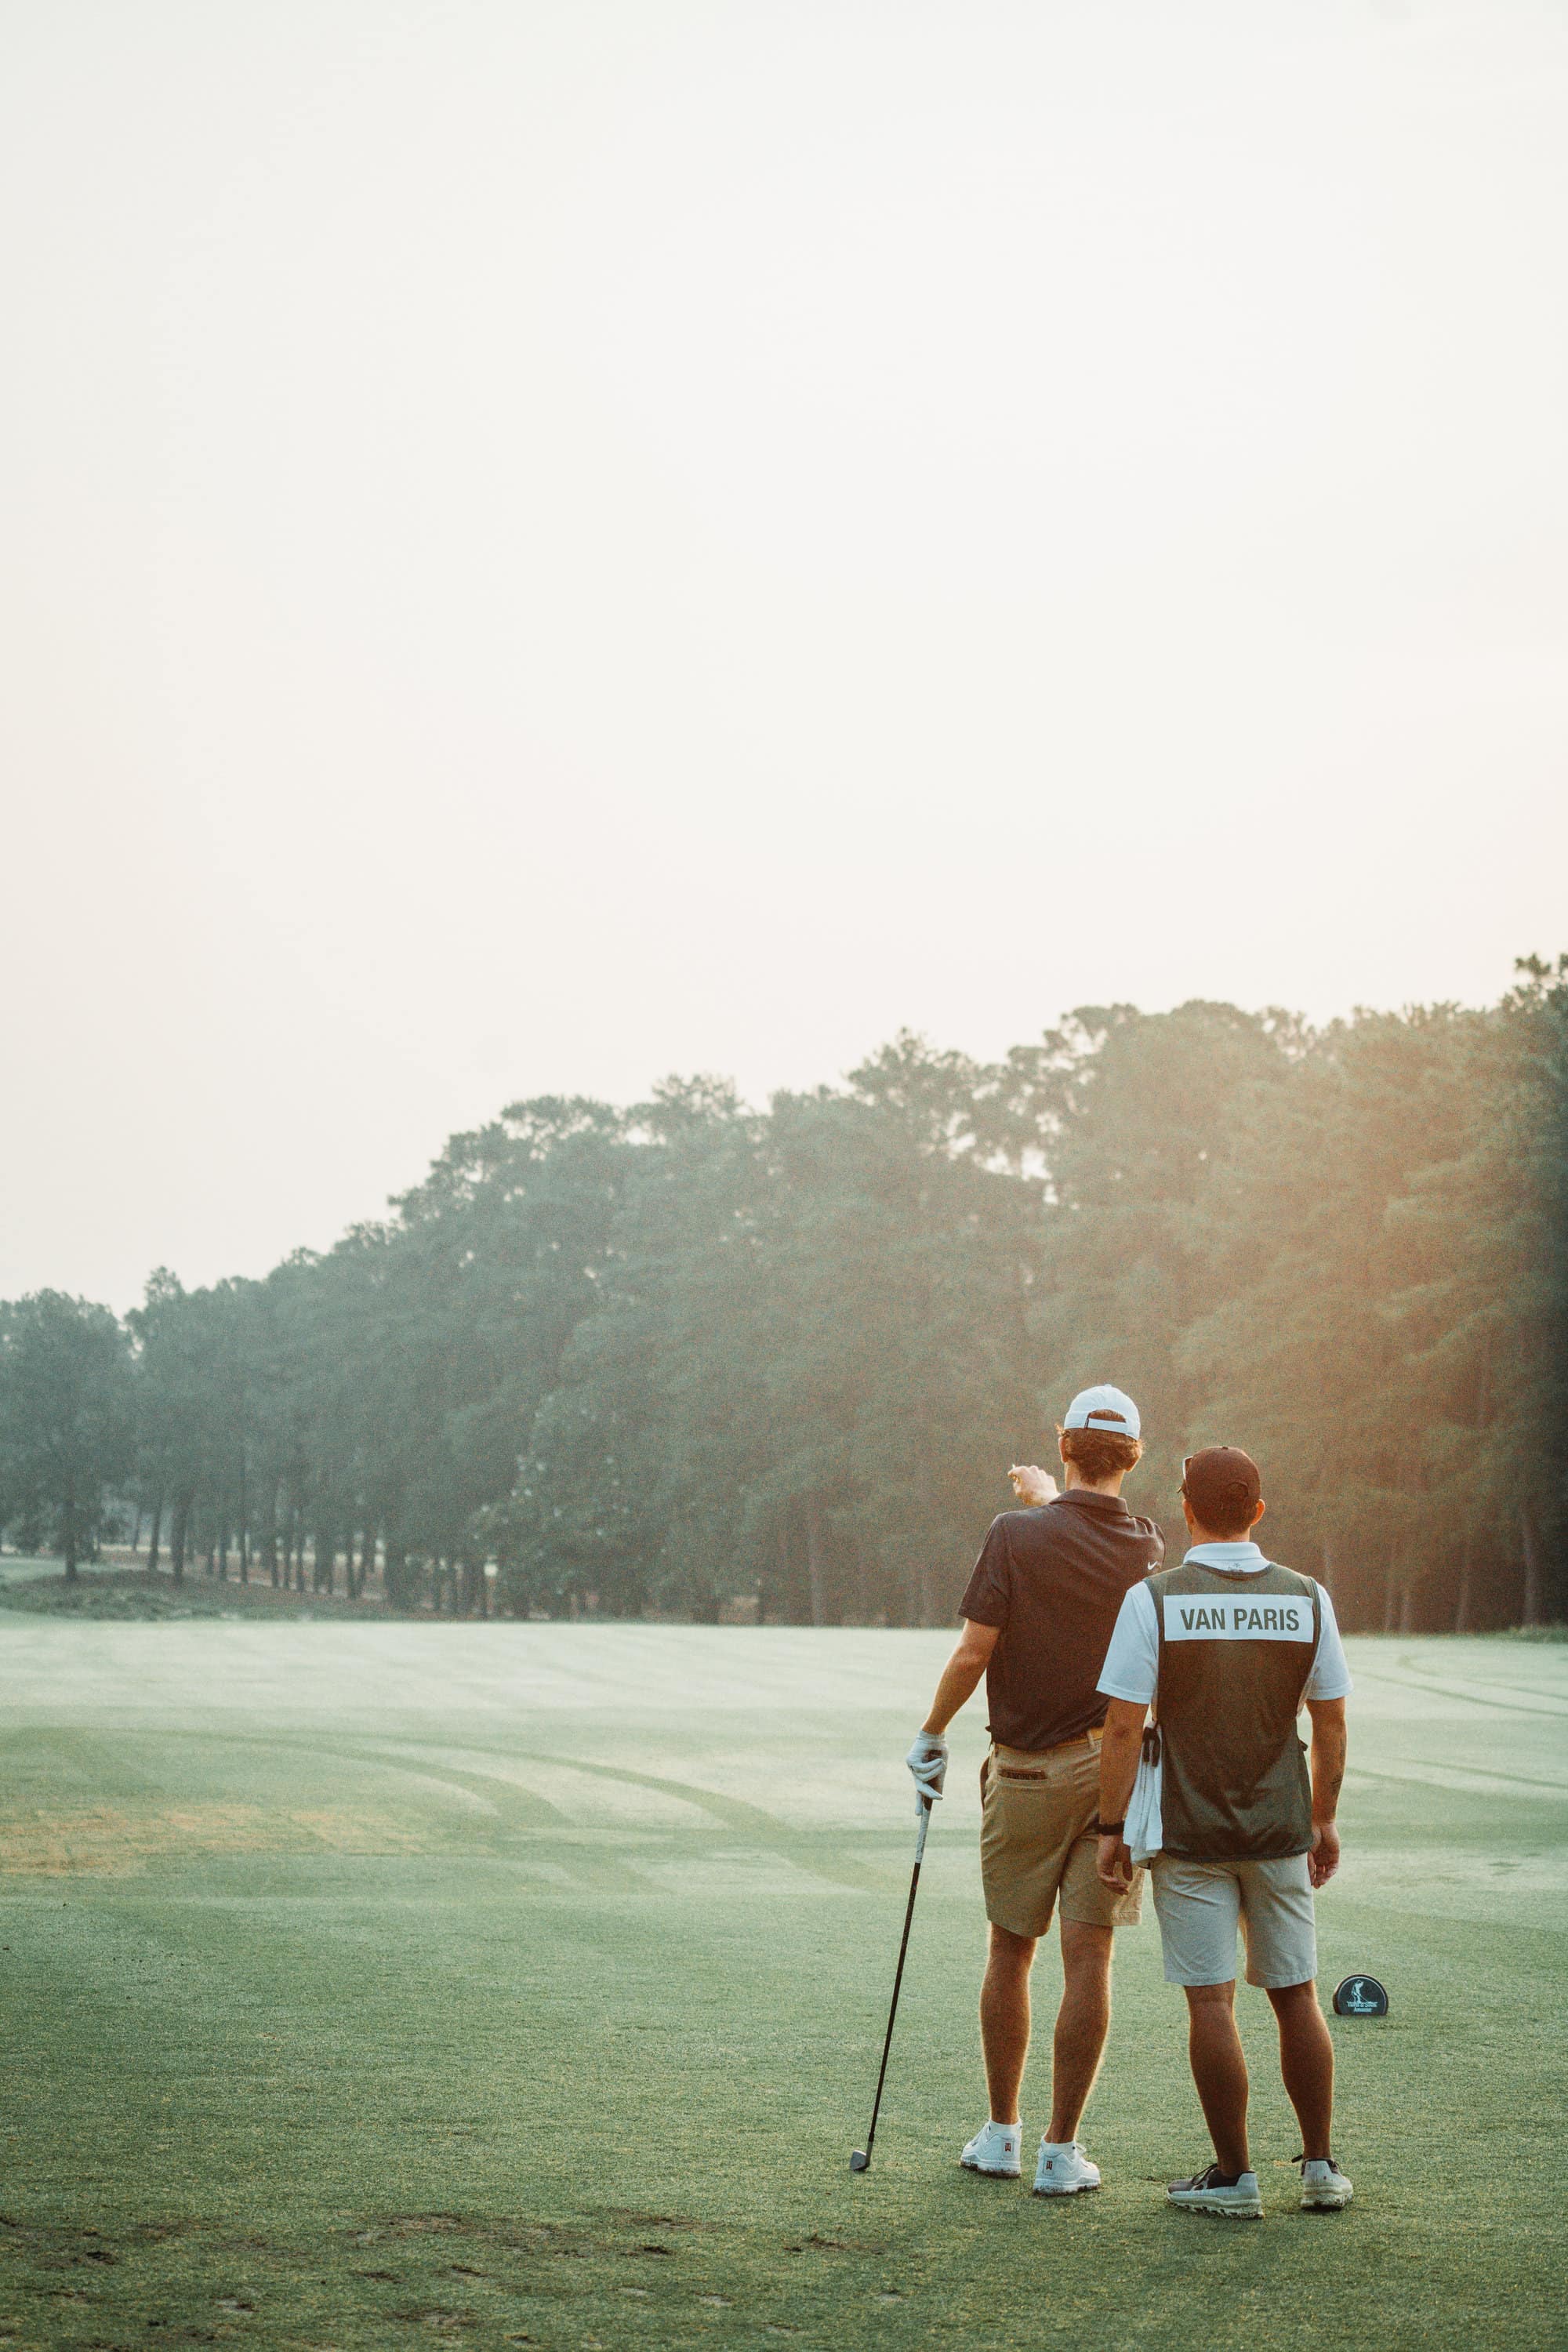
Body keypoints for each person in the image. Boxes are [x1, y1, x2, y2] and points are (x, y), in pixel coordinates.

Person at [906, 1385, 1163, 2195]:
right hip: (1114, 1772)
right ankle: (1060, 2153)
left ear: (1062, 1446)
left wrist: (931, 1731)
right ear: (1134, 1457)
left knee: (1011, 1948)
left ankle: (1000, 2136)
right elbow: (1087, 1530)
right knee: (1090, 1953)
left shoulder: (1012, 1535)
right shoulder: (1146, 1545)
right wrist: (1051, 1500)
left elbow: (972, 1653)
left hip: (1020, 1768)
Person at [1094, 1444, 1354, 2219]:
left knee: (1210, 2003)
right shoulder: (1307, 1597)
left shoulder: (1155, 1597)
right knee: (1295, 1993)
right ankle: (1318, 2167)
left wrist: (1109, 1828)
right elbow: (1331, 1721)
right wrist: (1323, 1819)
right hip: (1279, 1829)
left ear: (1184, 1508)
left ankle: (1235, 2177)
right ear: (1258, 1511)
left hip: (1189, 1830)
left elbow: (1119, 1727)